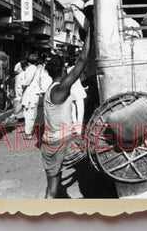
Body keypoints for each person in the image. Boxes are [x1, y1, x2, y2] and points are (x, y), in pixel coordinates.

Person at [41, 30, 91, 198]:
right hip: (61, 140)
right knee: (93, 161)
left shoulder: (50, 90)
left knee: (53, 185)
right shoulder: (60, 89)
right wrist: (89, 31)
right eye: (65, 69)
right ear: (62, 70)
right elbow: (82, 61)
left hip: (49, 141)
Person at [21, 53, 53, 140]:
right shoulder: (39, 68)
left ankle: (28, 133)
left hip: (32, 93)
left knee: (30, 113)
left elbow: (26, 82)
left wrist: (22, 84)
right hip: (33, 93)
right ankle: (31, 132)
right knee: (31, 113)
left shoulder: (32, 68)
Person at [67, 55, 87, 135]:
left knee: (73, 110)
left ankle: (74, 126)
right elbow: (83, 79)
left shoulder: (67, 70)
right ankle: (79, 129)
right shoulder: (77, 70)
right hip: (79, 92)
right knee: (80, 111)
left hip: (71, 92)